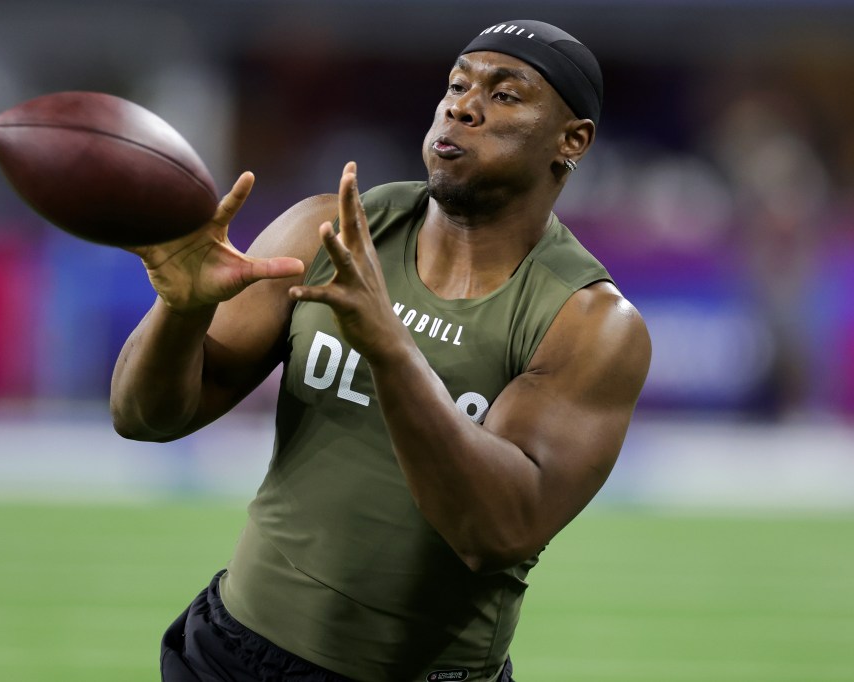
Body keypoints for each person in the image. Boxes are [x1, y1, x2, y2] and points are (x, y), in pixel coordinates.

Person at [111, 18, 651, 682]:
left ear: (572, 140)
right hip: (233, 653)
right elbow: (144, 418)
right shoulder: (326, 230)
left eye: (504, 94)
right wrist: (181, 311)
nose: (463, 105)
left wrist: (391, 349)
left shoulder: (587, 319)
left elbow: (495, 530)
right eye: (456, 84)